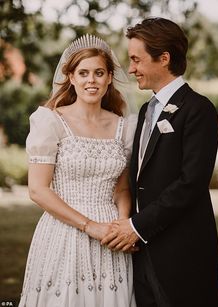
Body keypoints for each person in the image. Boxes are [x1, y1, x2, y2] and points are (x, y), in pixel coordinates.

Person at [101, 17, 218, 307]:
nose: (130, 69)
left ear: (164, 58)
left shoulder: (198, 109)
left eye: (136, 59)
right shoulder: (146, 111)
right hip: (143, 253)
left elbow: (190, 184)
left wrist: (137, 227)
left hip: (182, 253)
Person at [19, 34, 137, 307]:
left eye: (98, 73)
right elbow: (38, 190)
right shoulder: (50, 122)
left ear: (110, 77)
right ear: (70, 77)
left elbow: (121, 188)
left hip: (111, 238)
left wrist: (121, 225)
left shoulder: (124, 127)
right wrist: (89, 226)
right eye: (83, 73)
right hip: (63, 232)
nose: (91, 80)